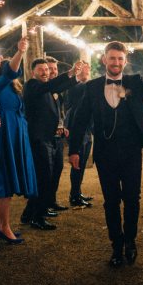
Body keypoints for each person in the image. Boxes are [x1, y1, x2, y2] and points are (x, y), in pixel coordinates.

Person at [68, 41, 143, 267]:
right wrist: (75, 150)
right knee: (110, 202)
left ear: (125, 61)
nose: (116, 62)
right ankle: (116, 246)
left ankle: (130, 241)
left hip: (131, 153)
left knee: (132, 199)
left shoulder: (135, 82)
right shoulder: (92, 87)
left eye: (120, 59)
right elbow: (79, 121)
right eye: (112, 58)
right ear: (104, 60)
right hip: (105, 154)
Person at [21, 58, 80, 230]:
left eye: (47, 69)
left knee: (45, 178)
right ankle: (37, 218)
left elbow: (61, 87)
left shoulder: (47, 87)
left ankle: (28, 214)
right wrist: (69, 73)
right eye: (41, 69)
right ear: (33, 72)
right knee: (43, 179)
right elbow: (51, 85)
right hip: (38, 140)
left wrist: (74, 76)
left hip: (50, 138)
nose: (45, 72)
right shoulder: (31, 85)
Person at [0, 37, 35, 244]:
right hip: (2, 136)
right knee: (4, 183)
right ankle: (4, 227)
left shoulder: (14, 89)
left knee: (4, 183)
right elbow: (10, 72)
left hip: (16, 135)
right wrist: (21, 51)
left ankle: (0, 225)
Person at [64, 61, 93, 208]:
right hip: (76, 127)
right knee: (77, 163)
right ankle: (74, 196)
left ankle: (77, 191)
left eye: (89, 69)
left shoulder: (86, 85)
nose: (87, 71)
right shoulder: (75, 86)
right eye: (84, 69)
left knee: (82, 164)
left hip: (87, 129)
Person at [45, 56, 69, 212]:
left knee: (58, 168)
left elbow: (59, 112)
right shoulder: (41, 90)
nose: (53, 72)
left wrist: (63, 125)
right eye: (50, 69)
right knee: (46, 172)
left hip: (58, 137)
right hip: (45, 138)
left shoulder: (57, 92)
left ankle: (51, 200)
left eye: (55, 69)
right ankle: (41, 205)